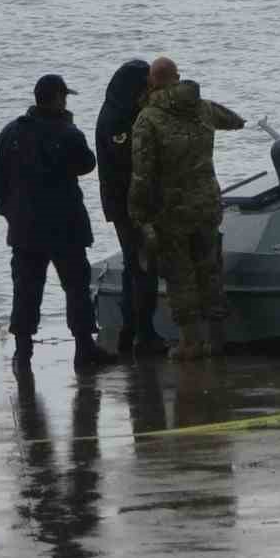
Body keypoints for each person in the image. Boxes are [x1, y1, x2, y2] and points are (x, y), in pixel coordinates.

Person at [128, 56, 246, 360]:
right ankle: (216, 340)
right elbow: (234, 120)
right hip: (207, 204)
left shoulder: (148, 119)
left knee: (180, 276)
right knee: (210, 270)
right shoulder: (204, 107)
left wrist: (138, 213)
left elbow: (142, 173)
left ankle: (190, 343)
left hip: (171, 211)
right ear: (178, 77)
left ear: (152, 82)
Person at [0, 73, 111, 370]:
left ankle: (23, 353)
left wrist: (11, 215)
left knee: (26, 289)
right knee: (76, 288)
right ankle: (84, 350)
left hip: (25, 229)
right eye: (65, 97)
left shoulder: (11, 133)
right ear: (58, 99)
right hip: (65, 227)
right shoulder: (67, 133)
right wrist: (67, 124)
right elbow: (87, 163)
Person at [95, 58, 168, 357]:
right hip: (128, 205)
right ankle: (144, 334)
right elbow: (130, 163)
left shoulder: (123, 111)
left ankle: (130, 331)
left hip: (127, 203)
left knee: (134, 266)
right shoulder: (118, 119)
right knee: (142, 266)